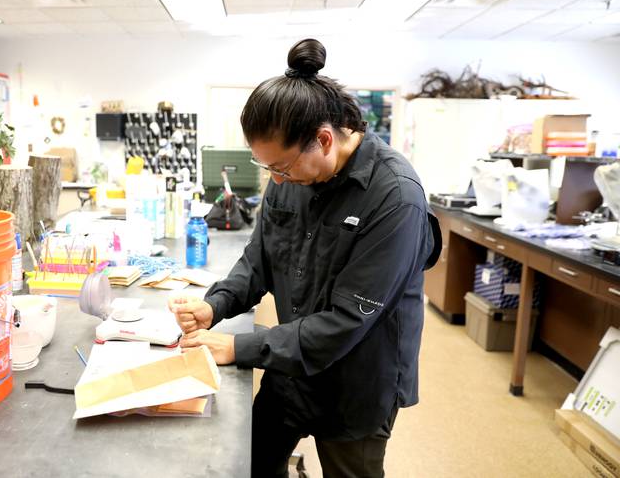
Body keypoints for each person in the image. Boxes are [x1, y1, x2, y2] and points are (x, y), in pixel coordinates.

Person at [169, 38, 441, 478]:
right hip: (291, 364)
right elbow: (259, 259)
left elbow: (348, 321)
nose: (276, 178)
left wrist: (238, 347)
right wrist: (214, 305)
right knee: (246, 462)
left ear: (324, 139)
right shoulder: (289, 173)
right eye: (268, 168)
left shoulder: (395, 198)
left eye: (281, 167)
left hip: (358, 379)